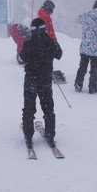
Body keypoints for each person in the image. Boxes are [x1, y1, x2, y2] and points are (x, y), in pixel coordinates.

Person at [20, 17, 63, 148]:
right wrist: (54, 43)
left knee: (29, 108)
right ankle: (50, 134)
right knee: (48, 108)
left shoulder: (28, 43)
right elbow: (59, 54)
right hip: (45, 80)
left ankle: (28, 134)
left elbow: (22, 57)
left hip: (31, 80)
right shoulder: (50, 42)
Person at [75, 0, 97, 94]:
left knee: (82, 67)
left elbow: (78, 18)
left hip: (85, 47)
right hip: (96, 49)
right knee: (94, 69)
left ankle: (78, 84)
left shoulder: (86, 15)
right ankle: (92, 87)